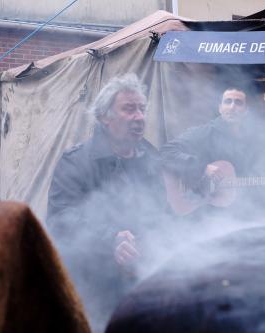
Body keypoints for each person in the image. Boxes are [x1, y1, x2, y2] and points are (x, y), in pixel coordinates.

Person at [46, 73, 166, 331]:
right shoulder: (76, 161)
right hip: (94, 284)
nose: (139, 117)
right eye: (128, 109)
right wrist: (110, 239)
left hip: (142, 280)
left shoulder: (152, 158)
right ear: (104, 117)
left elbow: (161, 215)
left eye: (141, 109)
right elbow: (61, 219)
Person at [160, 86, 265, 219]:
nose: (232, 107)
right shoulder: (204, 133)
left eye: (238, 103)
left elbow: (250, 181)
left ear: (246, 110)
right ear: (220, 108)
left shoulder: (252, 141)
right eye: (228, 101)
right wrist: (201, 168)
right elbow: (166, 152)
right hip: (205, 217)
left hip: (240, 215)